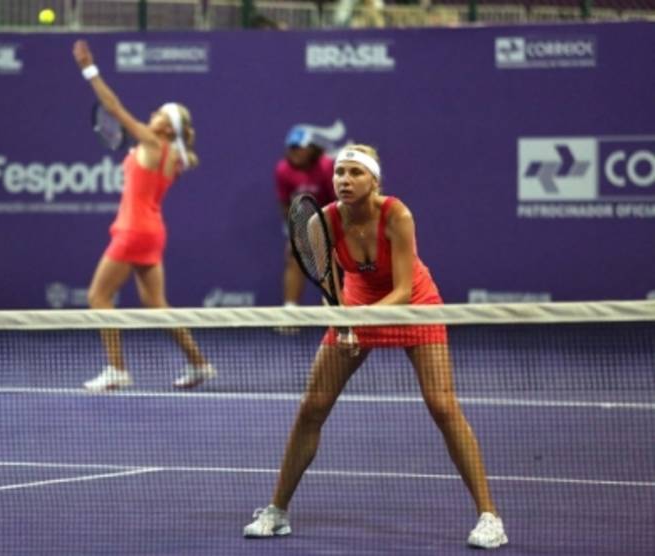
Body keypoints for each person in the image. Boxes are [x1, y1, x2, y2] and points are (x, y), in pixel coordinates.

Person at [243, 145, 507, 549]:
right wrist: (342, 321)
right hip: (357, 302)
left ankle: (490, 518)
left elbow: (403, 291)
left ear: (375, 181)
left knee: (442, 406)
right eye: (340, 173)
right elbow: (329, 286)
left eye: (355, 173)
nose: (344, 181)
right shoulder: (322, 221)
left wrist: (357, 321)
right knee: (312, 407)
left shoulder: (397, 216)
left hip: (414, 306)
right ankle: (276, 511)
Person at [72, 39, 216, 392]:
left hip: (134, 231)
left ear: (167, 128)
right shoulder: (173, 155)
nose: (153, 114)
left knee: (98, 297)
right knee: (155, 304)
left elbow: (113, 107)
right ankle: (200, 364)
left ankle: (116, 369)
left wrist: (89, 69)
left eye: (160, 114)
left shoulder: (153, 144)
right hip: (152, 232)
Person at [276, 126, 335, 309]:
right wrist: (295, 232)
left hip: (331, 221)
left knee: (333, 262)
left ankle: (334, 305)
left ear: (311, 148)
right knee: (294, 253)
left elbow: (338, 202)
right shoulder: (283, 170)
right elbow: (285, 205)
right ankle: (290, 310)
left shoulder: (327, 167)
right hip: (304, 223)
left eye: (298, 147)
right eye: (291, 148)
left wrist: (327, 233)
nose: (293, 152)